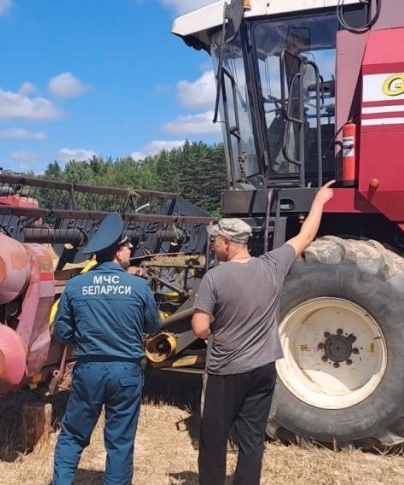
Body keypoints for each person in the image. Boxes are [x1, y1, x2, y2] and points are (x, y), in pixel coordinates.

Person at [191, 180, 335, 485]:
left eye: (215, 240)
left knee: (213, 439)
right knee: (252, 438)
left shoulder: (214, 278)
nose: (213, 245)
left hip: (226, 371)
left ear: (228, 243)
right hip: (264, 369)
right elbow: (306, 235)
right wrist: (320, 200)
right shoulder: (273, 265)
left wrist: (217, 328)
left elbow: (200, 328)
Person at [51, 212, 162, 485]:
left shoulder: (76, 286)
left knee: (73, 435)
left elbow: (62, 332)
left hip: (89, 370)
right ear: (116, 252)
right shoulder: (138, 287)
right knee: (120, 441)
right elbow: (153, 326)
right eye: (127, 246)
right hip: (126, 373)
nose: (131, 249)